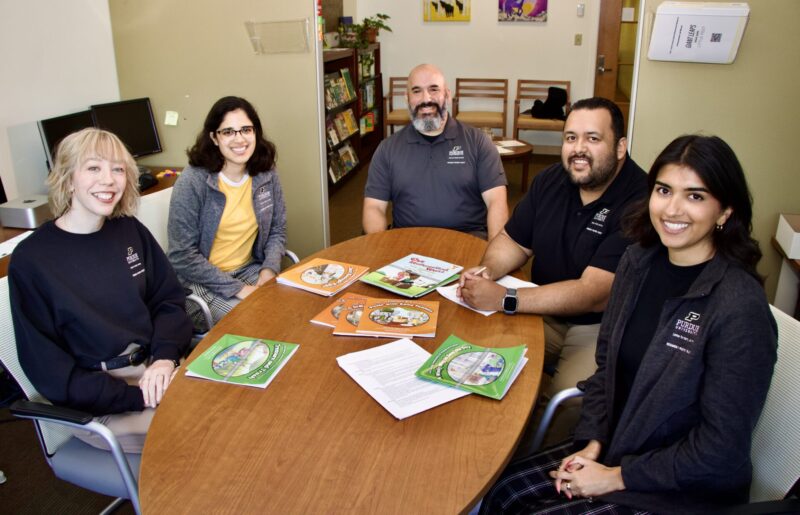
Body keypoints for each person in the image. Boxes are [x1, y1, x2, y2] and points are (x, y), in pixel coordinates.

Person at [479, 135, 777, 514]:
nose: (673, 209)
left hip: (681, 490)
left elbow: (721, 449)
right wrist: (592, 442)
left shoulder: (739, 307)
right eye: (664, 190)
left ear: (724, 212)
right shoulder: (638, 263)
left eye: (695, 196)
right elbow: (607, 372)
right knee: (501, 493)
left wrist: (616, 476)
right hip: (617, 446)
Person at [9, 128, 192, 453]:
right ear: (68, 179)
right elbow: (53, 374)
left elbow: (169, 300)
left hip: (156, 370)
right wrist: (138, 396)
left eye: (117, 169)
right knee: (205, 428)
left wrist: (164, 359)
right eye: (93, 168)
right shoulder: (33, 260)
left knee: (235, 401)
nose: (108, 180)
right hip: (103, 404)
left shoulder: (129, 230)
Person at [459, 97, 648, 403]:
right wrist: (487, 271)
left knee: (571, 401)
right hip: (542, 307)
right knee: (470, 346)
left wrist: (504, 298)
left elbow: (594, 294)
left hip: (599, 327)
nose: (579, 149)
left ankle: (550, 448)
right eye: (571, 138)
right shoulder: (551, 180)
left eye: (593, 138)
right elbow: (513, 240)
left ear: (620, 147)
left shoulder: (641, 201)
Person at [168, 96, 287, 327]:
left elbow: (277, 230)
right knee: (257, 321)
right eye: (228, 132)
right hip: (200, 283)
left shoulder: (265, 172)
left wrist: (268, 271)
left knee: (292, 309)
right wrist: (240, 289)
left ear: (256, 133)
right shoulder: (193, 181)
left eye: (246, 129)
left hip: (250, 268)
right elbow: (181, 255)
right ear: (214, 137)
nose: (239, 139)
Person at [362, 63, 508, 240]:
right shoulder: (387, 149)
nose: (426, 99)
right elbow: (374, 207)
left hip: (468, 240)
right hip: (407, 245)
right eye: (416, 91)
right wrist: (381, 245)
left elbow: (496, 202)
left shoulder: (478, 142)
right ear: (407, 98)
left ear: (447, 95)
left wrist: (493, 256)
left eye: (434, 89)